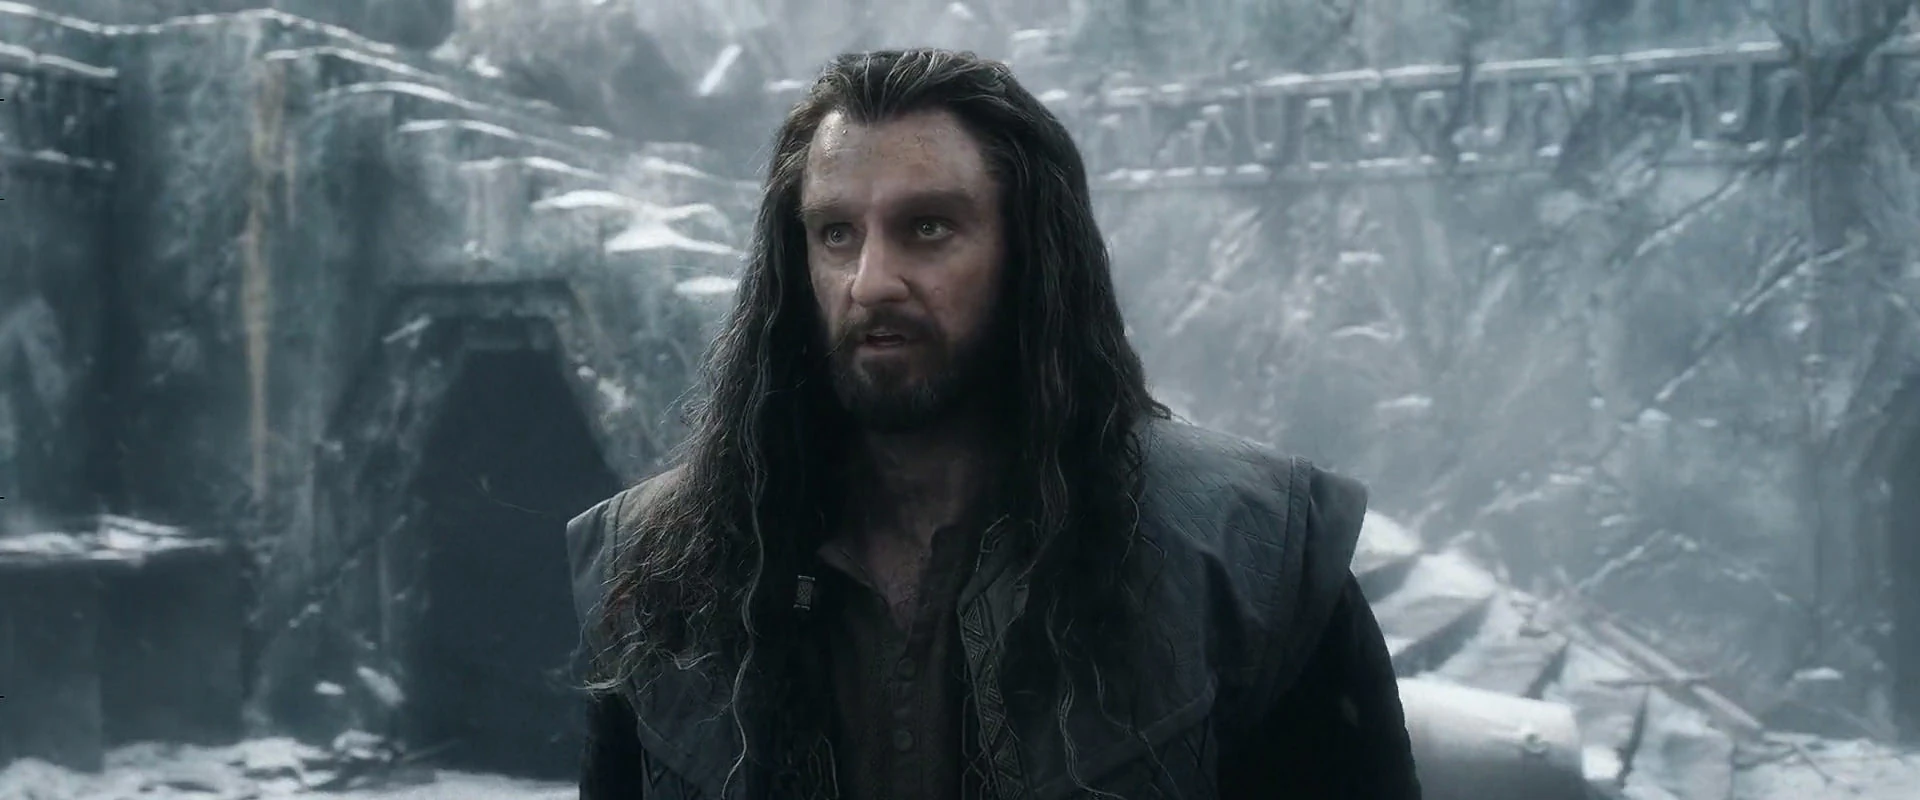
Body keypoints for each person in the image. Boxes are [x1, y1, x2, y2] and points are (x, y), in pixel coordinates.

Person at [567, 48, 1422, 799]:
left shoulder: (1248, 558)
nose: (871, 280)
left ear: (1031, 256)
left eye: (927, 228)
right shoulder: (662, 570)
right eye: (835, 233)